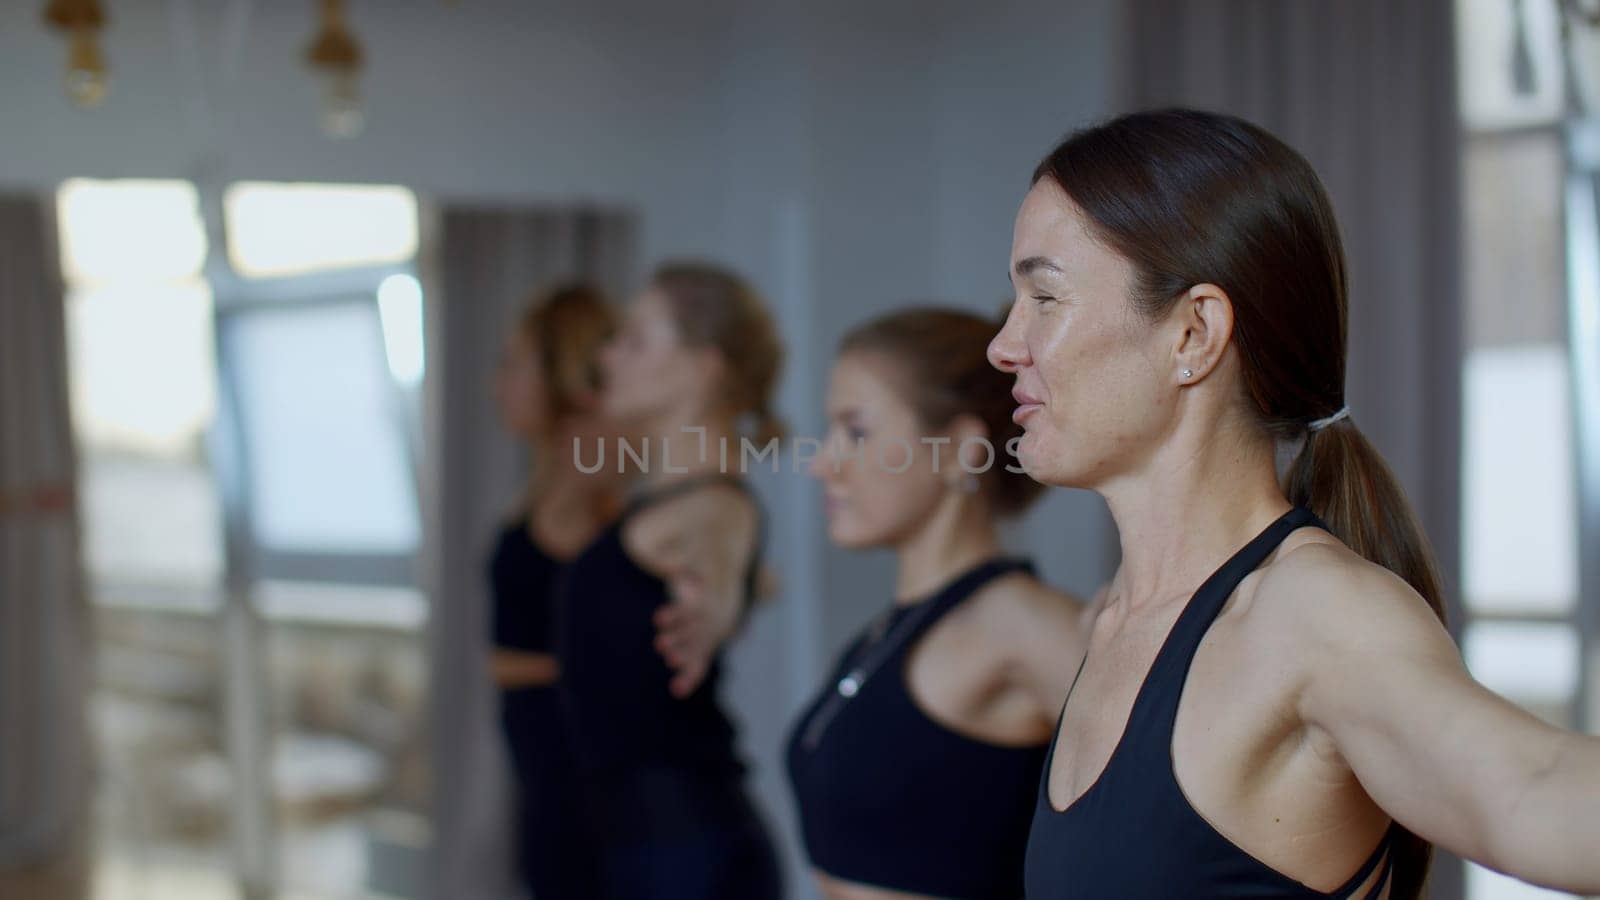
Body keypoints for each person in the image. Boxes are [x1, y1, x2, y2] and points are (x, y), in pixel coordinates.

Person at [990, 108, 1600, 899]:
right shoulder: (1112, 622)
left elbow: (1532, 791)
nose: (1004, 345)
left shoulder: (1312, 615)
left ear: (1193, 335)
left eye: (1044, 297)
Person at [787, 308, 1085, 900]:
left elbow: (1176, 818)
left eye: (857, 430)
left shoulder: (1019, 622)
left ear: (958, 450)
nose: (823, 462)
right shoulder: (893, 628)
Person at [556, 261, 786, 900]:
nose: (607, 355)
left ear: (701, 366)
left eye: (632, 340)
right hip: (650, 847)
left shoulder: (713, 506)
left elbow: (716, 556)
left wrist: (713, 611)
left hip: (687, 855)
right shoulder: (656, 503)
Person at [486, 283, 621, 900]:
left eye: (514, 363)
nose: (499, 382)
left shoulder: (586, 465)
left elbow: (620, 620)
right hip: (548, 761)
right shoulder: (554, 473)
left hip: (577, 769)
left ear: (558, 372)